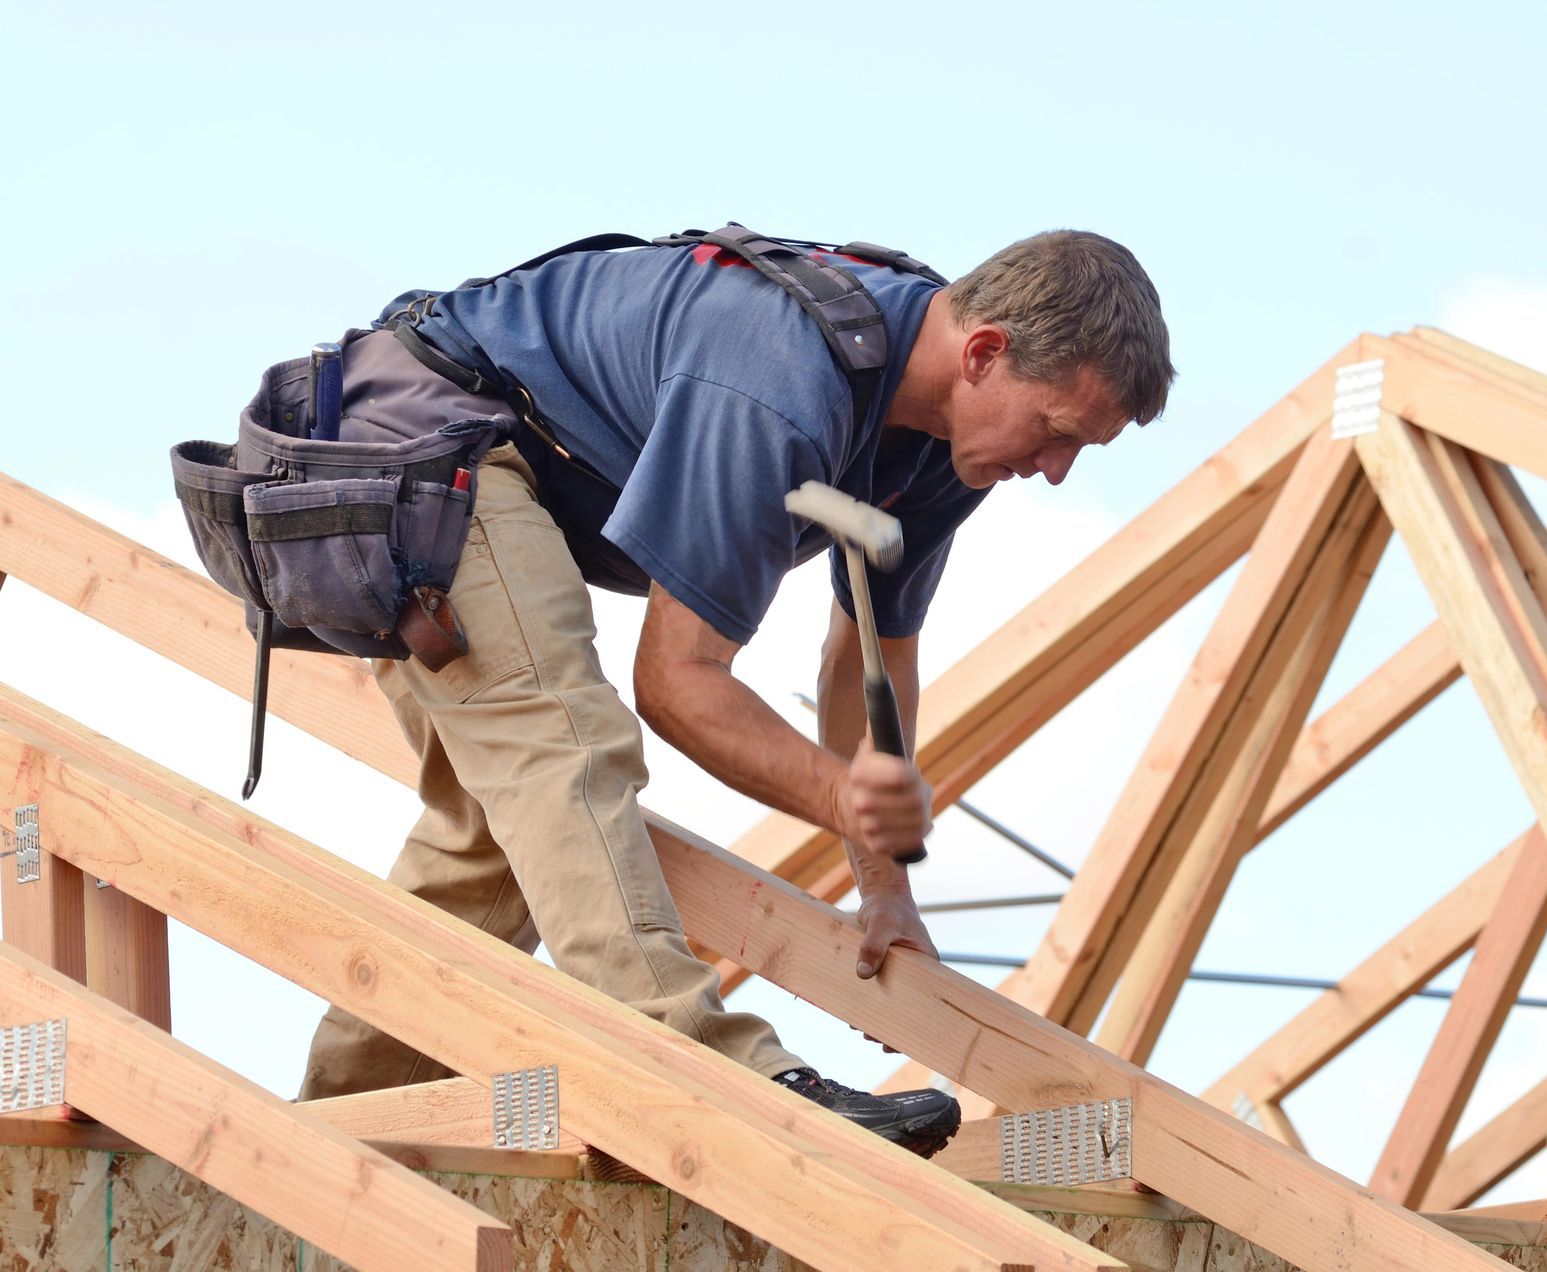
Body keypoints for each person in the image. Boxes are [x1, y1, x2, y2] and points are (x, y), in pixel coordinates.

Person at [296, 228, 1174, 1156]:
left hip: (503, 466)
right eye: (1057, 433)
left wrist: (883, 888)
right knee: (565, 742)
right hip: (418, 444)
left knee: (499, 841)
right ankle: (710, 1063)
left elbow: (868, 658)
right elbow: (675, 683)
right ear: (985, 352)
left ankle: (326, 1148)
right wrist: (841, 795)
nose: (1056, 471)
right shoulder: (781, 382)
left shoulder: (946, 441)